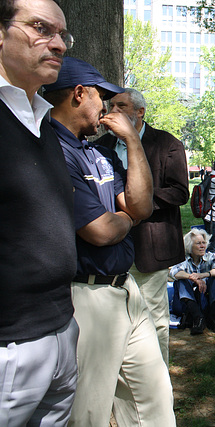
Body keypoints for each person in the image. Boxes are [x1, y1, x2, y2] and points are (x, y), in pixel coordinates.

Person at [42, 57, 175, 426]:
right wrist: (128, 218)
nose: (106, 108)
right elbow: (98, 231)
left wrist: (133, 139)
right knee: (90, 410)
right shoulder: (49, 148)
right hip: (86, 298)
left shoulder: (96, 152)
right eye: (102, 98)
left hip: (126, 291)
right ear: (79, 93)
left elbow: (141, 204)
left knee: (155, 400)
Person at [0, 1, 79, 425]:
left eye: (63, 34)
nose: (58, 44)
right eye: (39, 28)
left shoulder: (44, 121)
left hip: (63, 327)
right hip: (9, 345)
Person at [96, 87, 190, 365]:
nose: (113, 111)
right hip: (110, 246)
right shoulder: (101, 146)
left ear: (140, 112)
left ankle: (157, 379)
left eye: (121, 106)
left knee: (152, 317)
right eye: (111, 105)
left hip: (151, 248)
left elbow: (179, 192)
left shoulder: (166, 144)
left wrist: (138, 204)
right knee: (113, 319)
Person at [170, 228, 215, 335]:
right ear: (190, 246)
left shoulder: (210, 256)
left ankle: (213, 317)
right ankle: (198, 317)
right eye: (198, 243)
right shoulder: (183, 259)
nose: (202, 246)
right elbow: (174, 273)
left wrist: (202, 275)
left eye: (204, 243)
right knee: (181, 281)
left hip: (205, 299)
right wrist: (192, 278)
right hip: (186, 305)